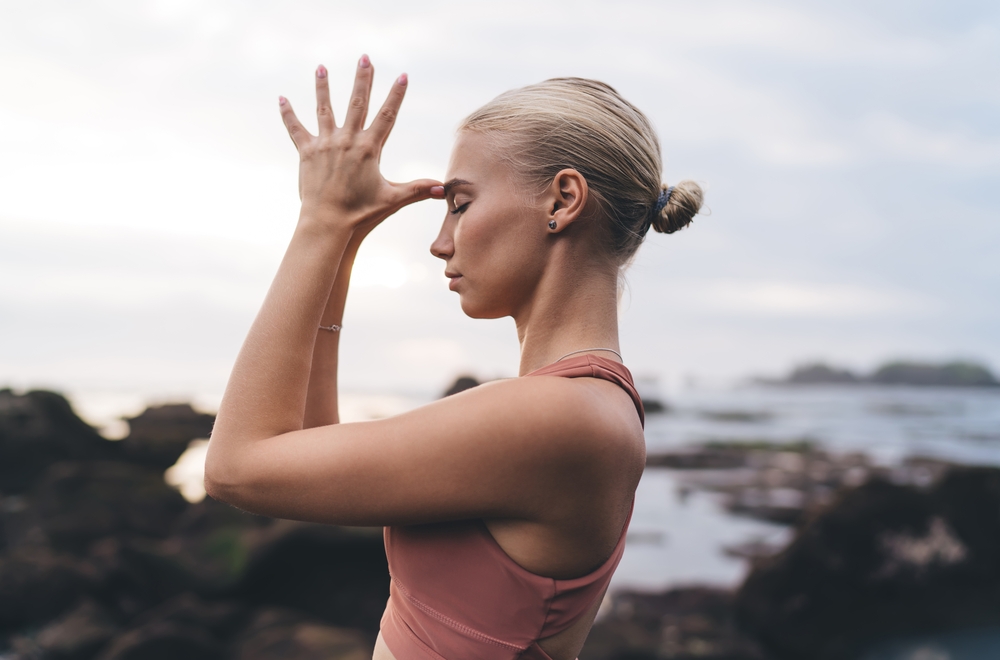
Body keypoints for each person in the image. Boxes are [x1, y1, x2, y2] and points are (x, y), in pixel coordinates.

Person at [204, 55, 703, 660]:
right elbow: (302, 448)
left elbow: (237, 468)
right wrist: (344, 239)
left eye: (461, 203)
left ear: (563, 200)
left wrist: (321, 220)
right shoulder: (578, 405)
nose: (441, 241)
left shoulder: (561, 418)